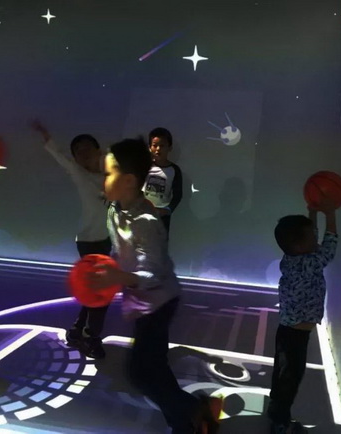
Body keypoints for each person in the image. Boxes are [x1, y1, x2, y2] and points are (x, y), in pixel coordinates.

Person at [88, 137, 221, 433]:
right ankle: (185, 421)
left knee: (140, 372)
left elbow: (153, 275)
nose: (102, 179)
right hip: (143, 302)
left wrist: (116, 277)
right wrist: (108, 270)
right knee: (155, 368)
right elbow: (121, 253)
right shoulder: (115, 210)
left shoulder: (146, 221)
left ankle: (194, 410)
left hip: (159, 302)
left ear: (128, 181)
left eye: (108, 173)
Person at [31, 121, 111, 359]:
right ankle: (90, 338)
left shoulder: (110, 177)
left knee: (94, 291)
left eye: (88, 149)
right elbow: (62, 159)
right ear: (75, 158)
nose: (84, 154)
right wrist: (47, 139)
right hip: (89, 242)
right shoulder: (80, 175)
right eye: (79, 152)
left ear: (98, 151)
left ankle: (77, 331)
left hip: (105, 241)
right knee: (101, 293)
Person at [269, 198, 338, 434]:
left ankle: (276, 412)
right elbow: (329, 248)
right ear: (300, 246)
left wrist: (313, 213)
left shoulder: (291, 258)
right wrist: (330, 214)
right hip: (296, 336)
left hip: (287, 329)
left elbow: (311, 239)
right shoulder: (310, 263)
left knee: (282, 374)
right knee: (290, 378)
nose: (316, 241)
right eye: (311, 238)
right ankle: (281, 424)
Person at [143, 128, 183, 236]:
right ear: (150, 147)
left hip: (162, 217)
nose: (158, 149)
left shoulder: (174, 170)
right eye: (155, 145)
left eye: (162, 146)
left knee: (159, 243)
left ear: (169, 148)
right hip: (142, 213)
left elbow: (178, 195)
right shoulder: (145, 166)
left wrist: (167, 210)